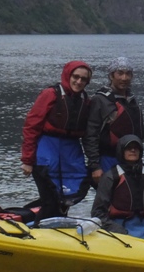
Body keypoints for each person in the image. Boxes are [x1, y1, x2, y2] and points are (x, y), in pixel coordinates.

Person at [20, 60, 93, 216]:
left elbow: (88, 134)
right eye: (75, 76)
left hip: (70, 151)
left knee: (66, 198)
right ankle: (36, 227)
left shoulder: (85, 100)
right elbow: (31, 127)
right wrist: (27, 160)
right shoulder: (51, 94)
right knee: (50, 198)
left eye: (83, 79)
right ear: (68, 75)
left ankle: (56, 224)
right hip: (47, 148)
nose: (79, 81)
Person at [91, 134, 144, 239]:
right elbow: (98, 213)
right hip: (117, 230)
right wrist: (119, 232)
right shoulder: (111, 177)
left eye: (136, 148)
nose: (133, 150)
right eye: (129, 148)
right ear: (121, 151)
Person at [83, 56, 144, 186]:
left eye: (128, 74)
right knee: (107, 199)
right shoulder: (100, 100)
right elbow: (91, 134)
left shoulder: (132, 100)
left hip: (130, 160)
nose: (124, 78)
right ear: (111, 75)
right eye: (120, 73)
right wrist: (95, 165)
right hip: (107, 159)